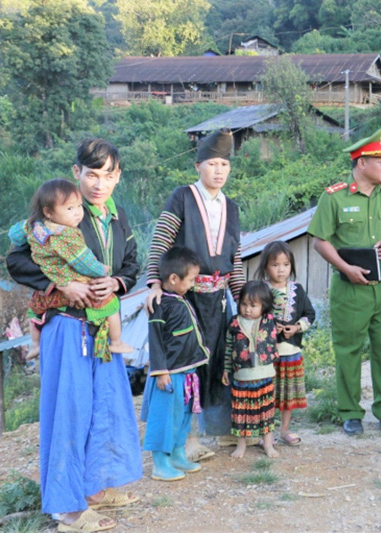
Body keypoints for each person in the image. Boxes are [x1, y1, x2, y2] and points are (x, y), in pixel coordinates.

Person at [6, 138, 141, 531]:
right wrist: (60, 284)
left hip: (103, 325)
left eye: (108, 176)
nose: (99, 185)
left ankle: (96, 488)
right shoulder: (59, 212)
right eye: (92, 174)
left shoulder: (117, 216)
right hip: (67, 325)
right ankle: (67, 509)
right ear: (77, 172)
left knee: (107, 406)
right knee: (70, 411)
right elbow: (16, 260)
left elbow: (130, 264)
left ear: (118, 177)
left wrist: (116, 282)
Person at [308, 127, 381, 435]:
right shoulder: (335, 197)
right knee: (348, 350)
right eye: (380, 160)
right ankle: (350, 412)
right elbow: (320, 241)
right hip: (349, 289)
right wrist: (346, 267)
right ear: (361, 164)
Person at [145, 128, 245, 460]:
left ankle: (219, 431)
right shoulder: (183, 197)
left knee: (219, 361)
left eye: (224, 165)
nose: (218, 171)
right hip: (185, 299)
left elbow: (237, 257)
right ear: (197, 165)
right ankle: (184, 439)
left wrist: (242, 298)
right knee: (187, 364)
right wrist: (155, 283)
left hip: (218, 300)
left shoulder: (231, 206)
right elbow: (161, 240)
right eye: (212, 163)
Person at [8, 178, 133, 360]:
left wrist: (115, 282)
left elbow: (15, 234)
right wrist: (101, 271)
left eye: (78, 207)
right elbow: (83, 261)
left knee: (34, 311)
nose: (77, 213)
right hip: (72, 304)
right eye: (69, 209)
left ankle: (35, 345)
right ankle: (117, 342)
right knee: (111, 304)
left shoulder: (36, 226)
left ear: (118, 175)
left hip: (48, 295)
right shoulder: (67, 233)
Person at [142, 246, 208, 481]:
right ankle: (160, 463)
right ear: (173, 278)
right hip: (169, 376)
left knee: (183, 416)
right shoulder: (160, 304)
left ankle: (178, 455)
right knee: (165, 417)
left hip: (187, 372)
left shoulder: (180, 298)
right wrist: (160, 372)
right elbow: (156, 340)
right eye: (190, 279)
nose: (192, 284)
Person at [255, 241, 315, 446]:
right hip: (267, 355)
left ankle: (285, 430)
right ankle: (267, 434)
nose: (281, 269)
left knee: (287, 395)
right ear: (265, 266)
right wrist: (269, 326)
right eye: (275, 264)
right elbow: (252, 316)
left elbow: (310, 314)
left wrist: (296, 328)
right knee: (268, 394)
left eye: (286, 264)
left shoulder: (297, 290)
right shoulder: (260, 291)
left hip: (291, 351)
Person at [222, 281, 280, 458]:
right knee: (241, 413)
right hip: (241, 376)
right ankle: (241, 445)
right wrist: (226, 369)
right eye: (244, 304)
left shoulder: (268, 320)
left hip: (264, 375)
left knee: (266, 412)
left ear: (264, 306)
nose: (247, 309)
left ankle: (268, 444)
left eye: (253, 305)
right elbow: (229, 348)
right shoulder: (234, 323)